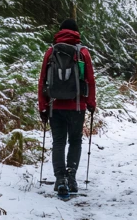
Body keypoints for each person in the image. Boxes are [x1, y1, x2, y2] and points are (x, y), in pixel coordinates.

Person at [38, 19, 96, 197]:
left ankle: (59, 179)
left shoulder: (51, 51)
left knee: (58, 142)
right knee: (75, 141)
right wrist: (91, 104)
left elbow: (42, 81)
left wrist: (43, 106)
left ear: (60, 31)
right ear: (77, 33)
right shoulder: (83, 53)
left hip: (55, 105)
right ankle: (71, 177)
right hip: (77, 106)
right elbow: (90, 80)